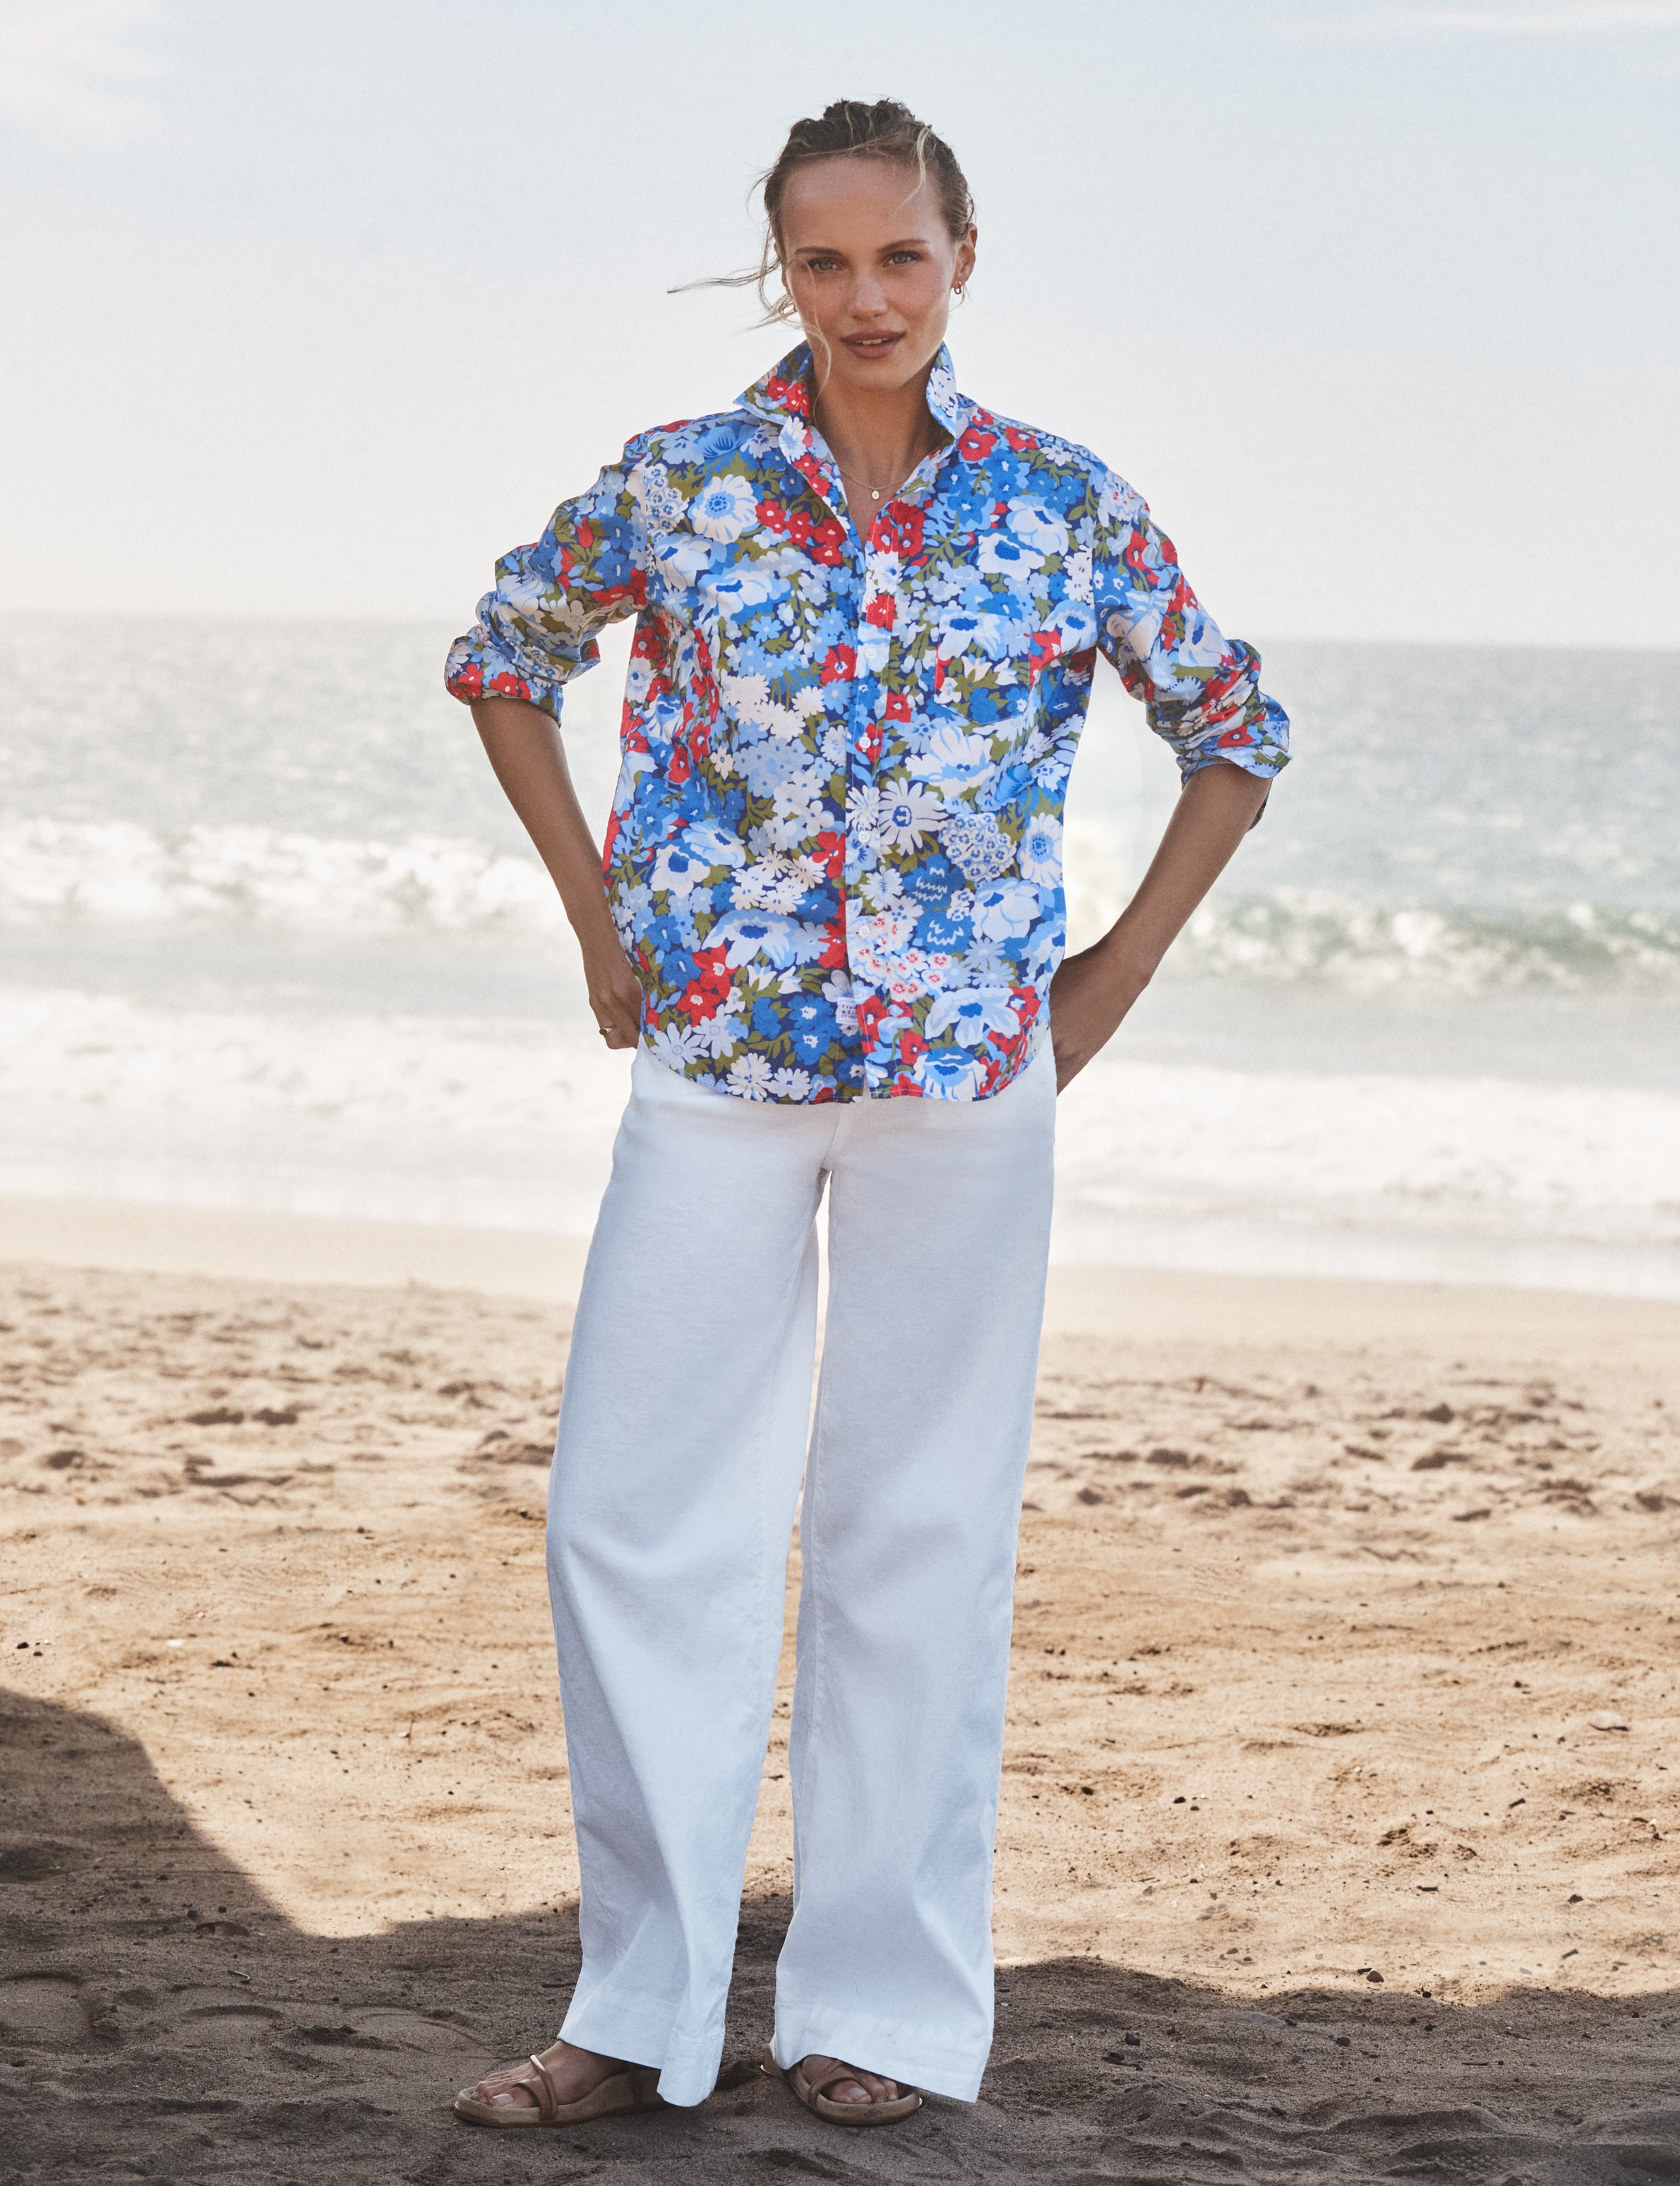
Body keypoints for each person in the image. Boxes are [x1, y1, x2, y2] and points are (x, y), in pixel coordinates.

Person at [447, 97, 1288, 2134]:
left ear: (960, 259)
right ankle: (635, 2008)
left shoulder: (1060, 502)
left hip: (960, 1090)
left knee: (918, 1533)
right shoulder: (683, 481)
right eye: (824, 263)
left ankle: (883, 2013)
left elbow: (1235, 730)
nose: (866, 297)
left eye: (900, 256)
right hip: (718, 1067)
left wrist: (1103, 982)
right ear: (785, 276)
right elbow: (503, 658)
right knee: (633, 1520)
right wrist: (596, 924)